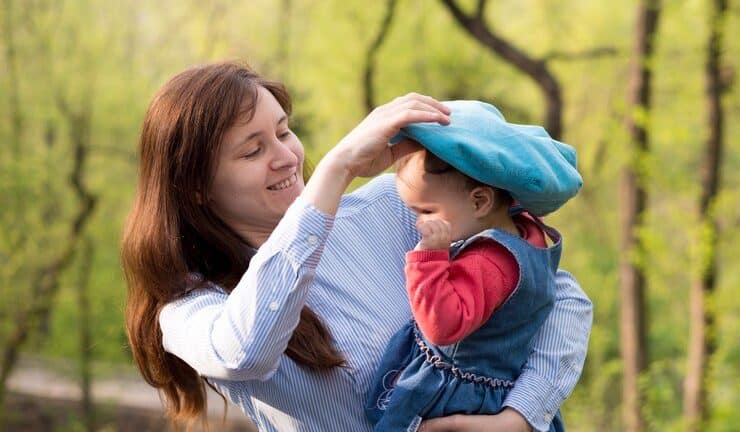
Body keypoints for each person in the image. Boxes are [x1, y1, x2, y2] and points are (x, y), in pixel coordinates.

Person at [121, 62, 593, 432]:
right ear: (196, 187)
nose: (286, 157)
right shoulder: (189, 310)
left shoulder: (392, 209)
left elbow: (553, 292)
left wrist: (522, 415)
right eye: (253, 150)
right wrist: (335, 169)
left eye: (285, 131)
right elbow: (246, 353)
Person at [365, 101, 583, 431]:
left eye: (426, 210)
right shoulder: (525, 232)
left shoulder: (488, 262)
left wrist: (429, 259)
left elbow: (442, 327)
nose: (416, 223)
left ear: (480, 201)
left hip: (456, 399)